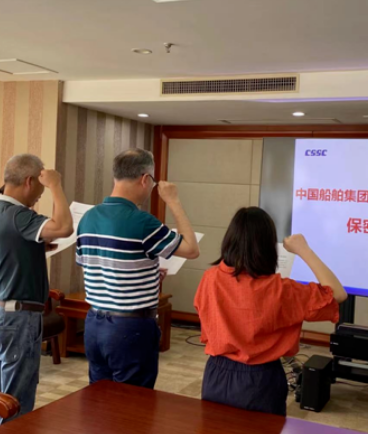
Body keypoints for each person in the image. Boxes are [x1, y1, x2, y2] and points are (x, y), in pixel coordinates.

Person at [194, 207, 347, 416]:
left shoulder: (210, 278)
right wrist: (304, 250)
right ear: (268, 246)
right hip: (262, 379)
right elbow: (338, 293)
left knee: (215, 426)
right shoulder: (282, 290)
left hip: (217, 374)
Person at [76, 148, 200, 389]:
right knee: (132, 403)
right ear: (145, 179)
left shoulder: (88, 217)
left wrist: (146, 274)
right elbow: (191, 249)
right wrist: (173, 201)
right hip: (130, 328)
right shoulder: (143, 222)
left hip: (94, 324)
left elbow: (94, 266)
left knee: (98, 398)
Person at [0, 154, 73, 428]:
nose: (40, 195)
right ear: (29, 181)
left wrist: (34, 248)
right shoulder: (19, 215)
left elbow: (7, 251)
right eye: (40, 188)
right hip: (17, 318)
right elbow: (64, 227)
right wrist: (55, 185)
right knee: (15, 403)